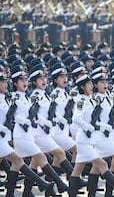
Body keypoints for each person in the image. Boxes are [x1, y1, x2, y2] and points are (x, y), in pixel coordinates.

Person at [68, 74, 114, 197]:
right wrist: (87, 127)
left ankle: (83, 194)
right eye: (88, 84)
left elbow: (96, 120)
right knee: (102, 164)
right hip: (83, 140)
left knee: (78, 169)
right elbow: (76, 118)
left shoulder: (92, 100)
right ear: (82, 87)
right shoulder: (82, 101)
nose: (90, 86)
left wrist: (105, 127)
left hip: (90, 140)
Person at [10, 68, 68, 196]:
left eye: (25, 80)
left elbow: (34, 114)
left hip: (30, 134)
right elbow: (14, 116)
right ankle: (59, 183)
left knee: (18, 163)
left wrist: (43, 122)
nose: (24, 82)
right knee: (42, 157)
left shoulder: (26, 97)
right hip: (21, 134)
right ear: (15, 84)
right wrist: (26, 122)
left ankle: (22, 192)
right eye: (21, 80)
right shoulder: (15, 98)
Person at [0, 73, 56, 196]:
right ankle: (42, 183)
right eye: (2, 82)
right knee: (18, 160)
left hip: (5, 139)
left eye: (5, 82)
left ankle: (10, 192)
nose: (4, 84)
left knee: (16, 162)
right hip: (3, 138)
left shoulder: (6, 98)